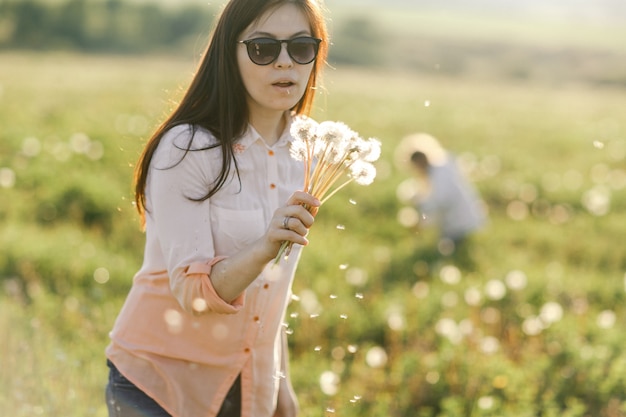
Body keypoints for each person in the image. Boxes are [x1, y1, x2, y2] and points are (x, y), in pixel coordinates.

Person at [104, 1, 329, 416]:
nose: (285, 63)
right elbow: (195, 294)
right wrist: (265, 245)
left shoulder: (305, 150)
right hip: (159, 384)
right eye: (264, 48)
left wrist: (281, 390)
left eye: (300, 47)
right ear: (230, 54)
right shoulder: (188, 147)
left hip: (247, 389)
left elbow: (271, 292)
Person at [395, 133, 486, 257]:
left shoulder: (439, 174)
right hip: (466, 218)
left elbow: (439, 203)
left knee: (449, 251)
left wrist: (420, 220)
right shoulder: (442, 166)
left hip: (460, 225)